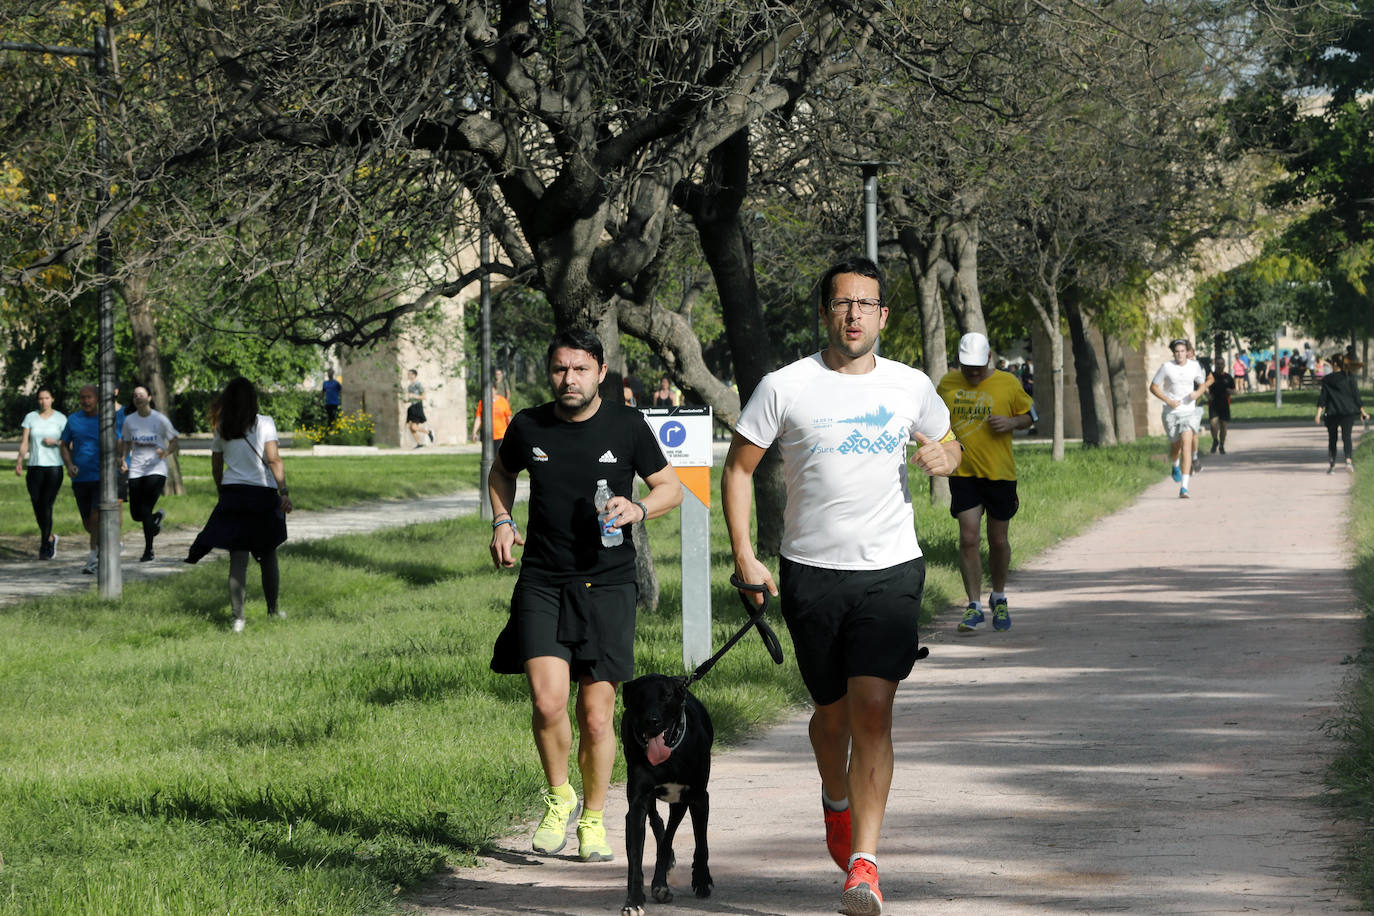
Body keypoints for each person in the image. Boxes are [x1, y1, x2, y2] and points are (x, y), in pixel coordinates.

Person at [722, 256, 961, 916]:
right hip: (810, 574)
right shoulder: (785, 386)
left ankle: (865, 862)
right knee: (831, 717)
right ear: (825, 313)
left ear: (884, 316)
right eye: (842, 303)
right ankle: (836, 798)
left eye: (867, 304)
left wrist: (947, 455)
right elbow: (739, 471)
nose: (854, 314)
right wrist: (746, 556)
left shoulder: (911, 385)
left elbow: (951, 444)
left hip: (890, 569)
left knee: (873, 711)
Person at [486, 327, 683, 864]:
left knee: (597, 716)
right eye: (559, 369)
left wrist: (638, 508)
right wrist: (503, 519)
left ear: (600, 372)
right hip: (543, 581)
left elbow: (670, 488)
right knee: (548, 701)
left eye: (578, 369)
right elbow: (501, 473)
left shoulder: (626, 425)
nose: (568, 379)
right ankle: (559, 797)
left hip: (610, 585)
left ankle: (593, 819)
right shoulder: (528, 426)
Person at [936, 332, 1035, 635]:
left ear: (989, 358)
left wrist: (1011, 422)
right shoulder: (948, 384)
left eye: (979, 366)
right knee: (968, 537)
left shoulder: (1007, 383)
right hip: (964, 473)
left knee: (998, 540)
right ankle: (973, 605)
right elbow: (933, 419)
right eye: (968, 367)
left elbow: (1030, 415)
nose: (974, 373)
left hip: (999, 473)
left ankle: (1000, 595)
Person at [186, 377, 293, 632]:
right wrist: (284, 491)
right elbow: (274, 460)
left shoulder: (223, 426)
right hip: (262, 495)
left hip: (233, 493)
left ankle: (238, 619)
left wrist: (223, 491)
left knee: (238, 557)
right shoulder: (265, 423)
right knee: (267, 554)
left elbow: (215, 466)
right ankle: (272, 610)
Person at [59, 384, 124, 574]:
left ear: (97, 399)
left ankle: (93, 556)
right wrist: (69, 465)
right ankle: (106, 546)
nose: (86, 401)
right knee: (89, 524)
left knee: (96, 516)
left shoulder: (107, 419)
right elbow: (63, 445)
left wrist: (120, 458)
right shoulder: (73, 420)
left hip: (103, 476)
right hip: (81, 478)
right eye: (82, 398)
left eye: (89, 397)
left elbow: (119, 441)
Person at [119, 385, 180, 562]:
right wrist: (123, 459)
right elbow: (127, 443)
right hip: (136, 469)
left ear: (149, 398)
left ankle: (148, 551)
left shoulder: (159, 419)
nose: (137, 398)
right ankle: (156, 519)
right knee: (136, 514)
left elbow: (175, 440)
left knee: (145, 508)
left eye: (141, 395)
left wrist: (166, 453)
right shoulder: (130, 420)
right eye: (135, 395)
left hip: (156, 469)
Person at [1149, 338, 1206, 499]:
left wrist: (1197, 393)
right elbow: (1153, 387)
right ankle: (1175, 465)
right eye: (1177, 352)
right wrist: (1168, 400)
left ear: (1187, 352)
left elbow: (1202, 384)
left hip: (1188, 412)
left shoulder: (1194, 366)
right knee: (1176, 446)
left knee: (1186, 445)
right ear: (1173, 353)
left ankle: (1184, 487)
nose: (1180, 354)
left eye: (1182, 351)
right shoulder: (1167, 367)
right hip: (1171, 413)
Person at [15, 386, 67, 559]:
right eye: (40, 398)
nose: (43, 401)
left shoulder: (61, 419)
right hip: (35, 466)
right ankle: (51, 536)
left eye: (46, 398)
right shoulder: (31, 417)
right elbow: (25, 442)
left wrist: (56, 442)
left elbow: (69, 444)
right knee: (37, 504)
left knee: (47, 504)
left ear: (52, 399)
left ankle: (45, 544)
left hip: (53, 467)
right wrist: (20, 461)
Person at [1315, 354, 1369, 474]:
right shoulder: (1349, 378)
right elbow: (1356, 396)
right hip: (1348, 412)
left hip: (1332, 412)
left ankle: (1332, 465)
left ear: (1334, 364)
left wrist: (1318, 414)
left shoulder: (1327, 380)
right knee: (1347, 437)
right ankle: (1348, 462)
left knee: (1332, 439)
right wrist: (1363, 412)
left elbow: (1323, 398)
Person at [1207, 355, 1236, 455]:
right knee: (1213, 424)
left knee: (1223, 425)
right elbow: (1204, 387)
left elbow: (1235, 390)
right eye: (1218, 364)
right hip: (1213, 402)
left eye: (1221, 364)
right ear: (1215, 364)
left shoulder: (1228, 377)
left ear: (1224, 365)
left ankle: (1222, 445)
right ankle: (1215, 440)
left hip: (1224, 403)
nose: (1219, 366)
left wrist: (1230, 391)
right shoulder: (1211, 376)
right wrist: (1207, 395)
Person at [470, 382, 513, 447]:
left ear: (496, 390)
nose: (489, 392)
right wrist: (474, 432)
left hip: (501, 435)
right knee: (488, 457)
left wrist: (511, 432)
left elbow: (508, 418)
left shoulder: (503, 401)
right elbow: (478, 418)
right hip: (487, 435)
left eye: (491, 390)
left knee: (499, 456)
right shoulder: (482, 402)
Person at [405, 368, 434, 447]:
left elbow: (424, 397)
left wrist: (413, 396)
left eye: (410, 374)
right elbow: (411, 398)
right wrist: (407, 400)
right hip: (412, 407)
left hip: (417, 406)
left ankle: (428, 432)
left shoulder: (418, 384)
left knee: (413, 427)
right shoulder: (409, 386)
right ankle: (419, 443)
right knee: (411, 427)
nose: (409, 376)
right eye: (408, 374)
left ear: (414, 375)